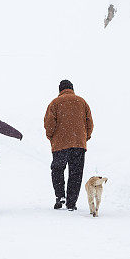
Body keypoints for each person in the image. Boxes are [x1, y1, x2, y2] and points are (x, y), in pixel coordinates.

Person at [44, 79, 93, 211]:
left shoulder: (54, 103)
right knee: (76, 173)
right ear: (72, 88)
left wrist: (52, 138)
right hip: (78, 144)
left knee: (58, 169)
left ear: (60, 90)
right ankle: (71, 202)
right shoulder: (82, 102)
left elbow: (49, 124)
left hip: (60, 144)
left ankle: (60, 197)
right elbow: (90, 124)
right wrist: (84, 138)